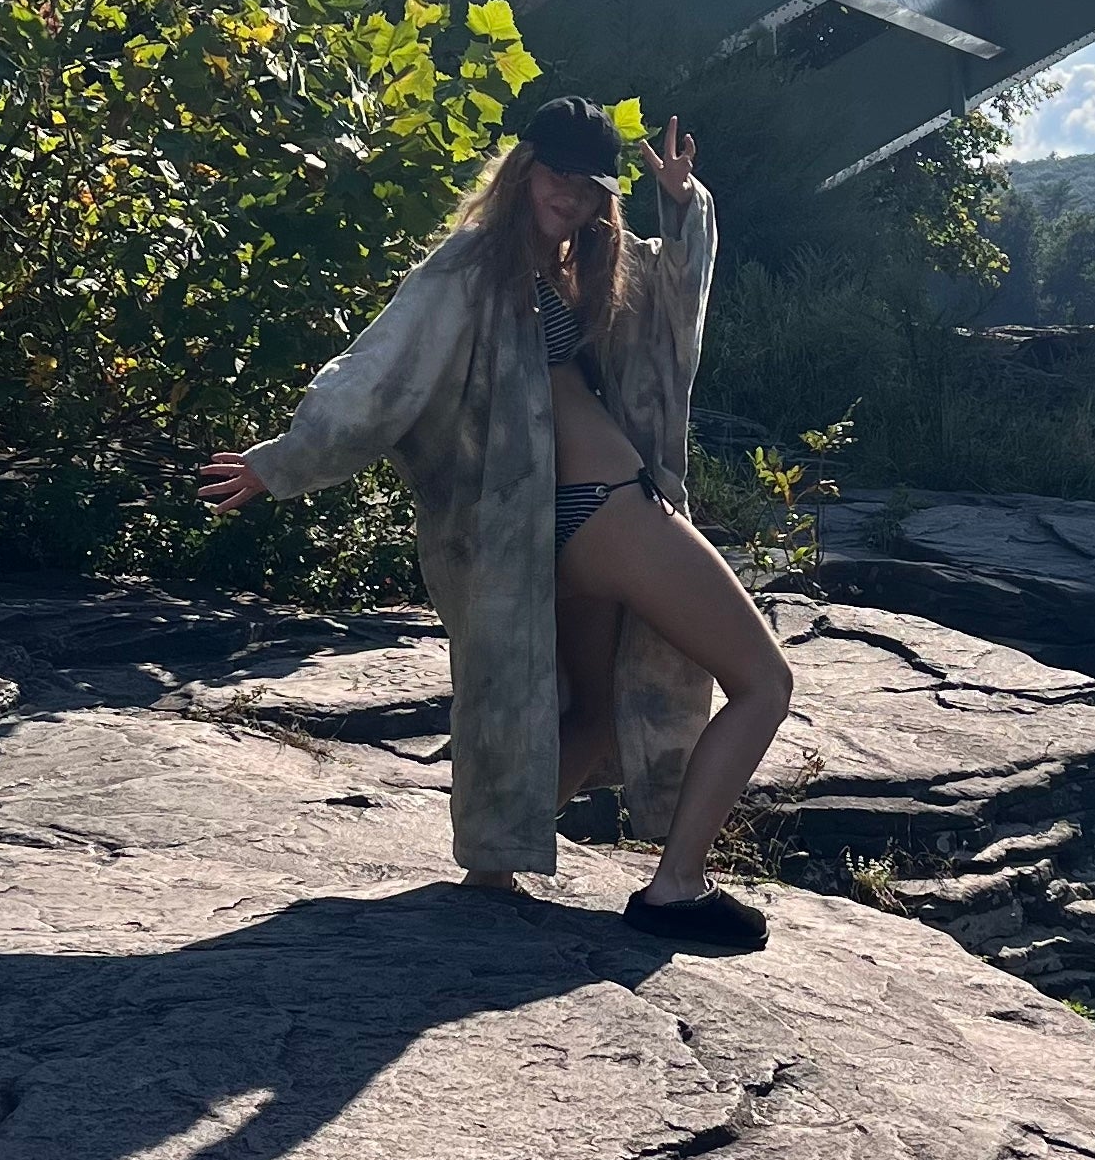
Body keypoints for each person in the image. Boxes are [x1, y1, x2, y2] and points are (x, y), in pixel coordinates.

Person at [198, 96, 793, 949]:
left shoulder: (581, 266)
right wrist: (286, 457)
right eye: (557, 174)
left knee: (590, 711)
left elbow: (672, 304)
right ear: (523, 168)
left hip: (562, 527)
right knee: (767, 682)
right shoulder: (472, 264)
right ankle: (676, 885)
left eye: (590, 188)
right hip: (609, 515)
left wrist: (681, 200)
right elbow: (382, 365)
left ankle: (490, 866)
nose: (572, 196)